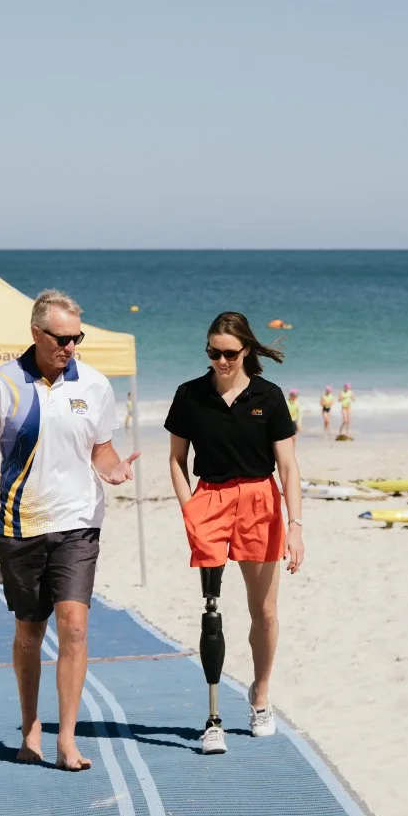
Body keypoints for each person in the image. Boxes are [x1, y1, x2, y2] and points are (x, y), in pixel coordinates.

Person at [0, 289, 138, 771]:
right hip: (21, 523)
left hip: (79, 521)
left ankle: (67, 740)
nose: (70, 346)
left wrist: (114, 469)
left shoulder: (95, 385)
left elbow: (101, 449)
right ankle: (30, 726)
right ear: (36, 333)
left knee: (74, 625)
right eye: (61, 338)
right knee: (29, 631)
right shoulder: (2, 384)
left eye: (77, 337)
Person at [165, 311, 303, 755]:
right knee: (212, 607)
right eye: (213, 352)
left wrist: (295, 526)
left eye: (229, 353)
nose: (221, 361)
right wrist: (189, 508)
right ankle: (212, 718)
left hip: (261, 501)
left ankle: (260, 694)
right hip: (210, 498)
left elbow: (288, 466)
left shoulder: (269, 396)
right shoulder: (189, 395)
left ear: (246, 350)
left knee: (264, 611)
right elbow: (176, 460)